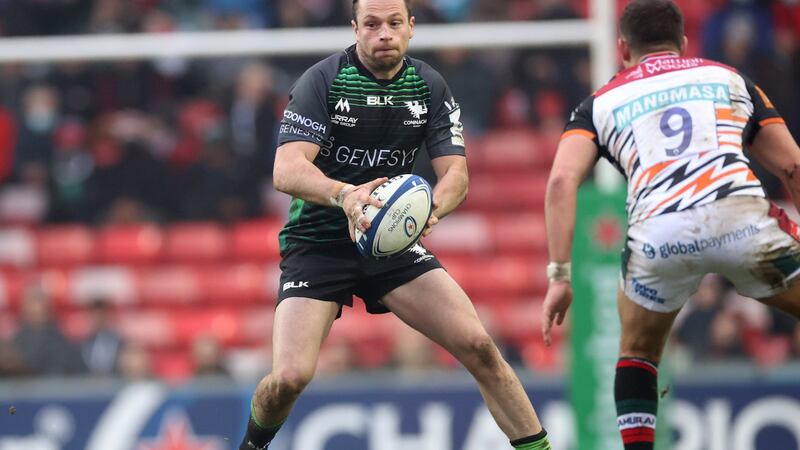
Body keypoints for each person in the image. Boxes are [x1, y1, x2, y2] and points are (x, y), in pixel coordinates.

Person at [238, 0, 551, 449]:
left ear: (411, 27)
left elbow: (456, 175)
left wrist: (431, 211)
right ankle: (251, 446)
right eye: (371, 24)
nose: (383, 33)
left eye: (393, 23)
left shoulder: (428, 85)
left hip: (390, 242)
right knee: (288, 378)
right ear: (355, 28)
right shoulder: (322, 80)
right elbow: (286, 169)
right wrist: (347, 196)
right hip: (320, 242)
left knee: (480, 347)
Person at [541, 1, 800, 449]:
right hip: (740, 219)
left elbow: (562, 180)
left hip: (659, 236)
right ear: (683, 43)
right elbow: (792, 166)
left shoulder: (599, 102)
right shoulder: (729, 78)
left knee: (638, 351)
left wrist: (560, 275)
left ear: (622, 47)